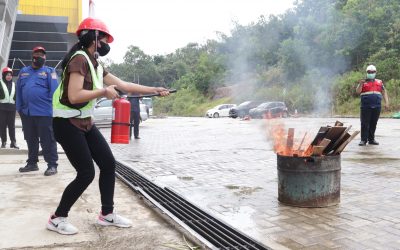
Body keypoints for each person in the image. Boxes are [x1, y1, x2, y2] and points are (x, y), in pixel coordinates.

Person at [48, 17, 170, 235]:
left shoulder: (94, 63)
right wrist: (104, 91)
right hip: (66, 123)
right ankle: (57, 218)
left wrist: (154, 89)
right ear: (94, 37)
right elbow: (75, 96)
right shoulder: (79, 60)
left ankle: (107, 214)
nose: (106, 43)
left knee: (108, 164)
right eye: (104, 38)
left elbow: (123, 85)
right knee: (86, 173)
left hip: (84, 122)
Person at [16, 46, 59, 175]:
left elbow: (55, 93)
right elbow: (18, 91)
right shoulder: (23, 71)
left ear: (45, 57)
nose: (40, 56)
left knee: (47, 139)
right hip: (27, 113)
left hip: (44, 113)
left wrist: (53, 111)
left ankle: (52, 165)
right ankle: (32, 163)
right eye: (37, 54)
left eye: (42, 55)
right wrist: (19, 108)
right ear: (32, 56)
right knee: (30, 139)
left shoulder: (50, 72)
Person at [356, 65, 389, 146]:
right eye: (369, 72)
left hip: (377, 106)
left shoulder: (379, 82)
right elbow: (357, 92)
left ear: (375, 72)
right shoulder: (363, 82)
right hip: (366, 107)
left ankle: (371, 139)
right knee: (364, 123)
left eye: (373, 72)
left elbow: (384, 92)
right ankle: (363, 140)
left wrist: (387, 102)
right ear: (367, 73)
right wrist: (360, 84)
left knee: (373, 123)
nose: (371, 73)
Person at [0, 67, 19, 149]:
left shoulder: (14, 84)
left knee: (12, 126)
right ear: (4, 75)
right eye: (7, 75)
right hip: (2, 108)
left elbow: (17, 96)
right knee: (2, 126)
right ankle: (3, 142)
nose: (9, 76)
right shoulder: (0, 83)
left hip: (12, 108)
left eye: (10, 75)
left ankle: (13, 142)